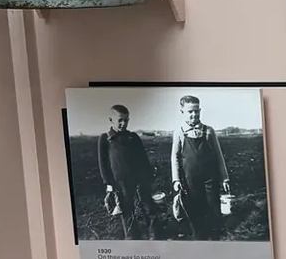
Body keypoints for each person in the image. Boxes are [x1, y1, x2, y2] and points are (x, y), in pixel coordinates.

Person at [170, 94, 231, 240]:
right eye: (190, 111)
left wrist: (225, 178)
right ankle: (200, 237)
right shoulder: (179, 132)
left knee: (214, 208)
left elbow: (218, 156)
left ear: (200, 110)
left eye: (196, 111)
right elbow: (175, 157)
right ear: (182, 112)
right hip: (190, 180)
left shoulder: (208, 131)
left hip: (210, 179)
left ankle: (216, 237)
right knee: (196, 211)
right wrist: (176, 179)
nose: (194, 114)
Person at [96, 103, 159, 240]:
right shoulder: (105, 139)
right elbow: (103, 165)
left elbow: (143, 158)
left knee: (148, 207)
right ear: (111, 120)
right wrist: (109, 184)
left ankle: (154, 235)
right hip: (121, 183)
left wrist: (148, 176)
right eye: (120, 120)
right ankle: (132, 239)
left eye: (126, 120)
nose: (123, 123)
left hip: (140, 180)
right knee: (127, 211)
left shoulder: (133, 137)